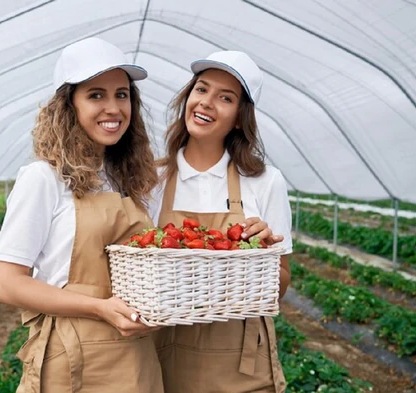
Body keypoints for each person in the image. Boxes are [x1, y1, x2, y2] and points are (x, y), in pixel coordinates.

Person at [0, 37, 164, 393]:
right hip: (73, 357)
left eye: (122, 94)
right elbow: (6, 283)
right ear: (68, 105)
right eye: (96, 95)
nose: (114, 107)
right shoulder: (44, 178)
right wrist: (101, 309)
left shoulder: (128, 179)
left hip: (136, 356)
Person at [149, 50, 292, 393]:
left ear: (241, 118)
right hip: (164, 352)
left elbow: (283, 282)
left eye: (225, 98)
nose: (207, 102)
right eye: (201, 89)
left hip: (238, 361)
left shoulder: (264, 181)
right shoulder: (151, 180)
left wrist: (265, 256)